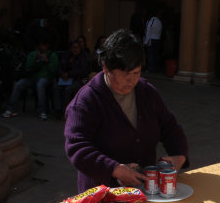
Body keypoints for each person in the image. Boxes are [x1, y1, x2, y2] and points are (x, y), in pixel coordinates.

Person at [64, 29, 189, 193]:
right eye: (125, 74)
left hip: (144, 191)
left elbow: (170, 127)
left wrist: (180, 155)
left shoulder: (146, 92)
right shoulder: (87, 100)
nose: (132, 80)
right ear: (105, 67)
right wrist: (115, 169)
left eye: (136, 72)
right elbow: (77, 148)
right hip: (102, 196)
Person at [3, 39, 58, 120]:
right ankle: (10, 109)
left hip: (46, 78)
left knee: (40, 85)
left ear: (47, 45)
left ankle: (42, 111)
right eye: (40, 45)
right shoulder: (33, 54)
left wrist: (47, 61)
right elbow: (28, 68)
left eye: (43, 45)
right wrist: (36, 60)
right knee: (18, 84)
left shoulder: (52, 55)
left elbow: (53, 70)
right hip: (32, 77)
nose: (42, 47)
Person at [52, 40, 90, 118]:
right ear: (70, 48)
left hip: (78, 80)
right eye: (73, 47)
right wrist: (62, 74)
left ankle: (66, 111)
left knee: (68, 89)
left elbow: (82, 71)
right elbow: (59, 68)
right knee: (56, 87)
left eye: (77, 48)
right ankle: (58, 110)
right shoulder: (66, 56)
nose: (75, 49)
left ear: (80, 48)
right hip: (65, 79)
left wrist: (69, 74)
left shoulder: (83, 58)